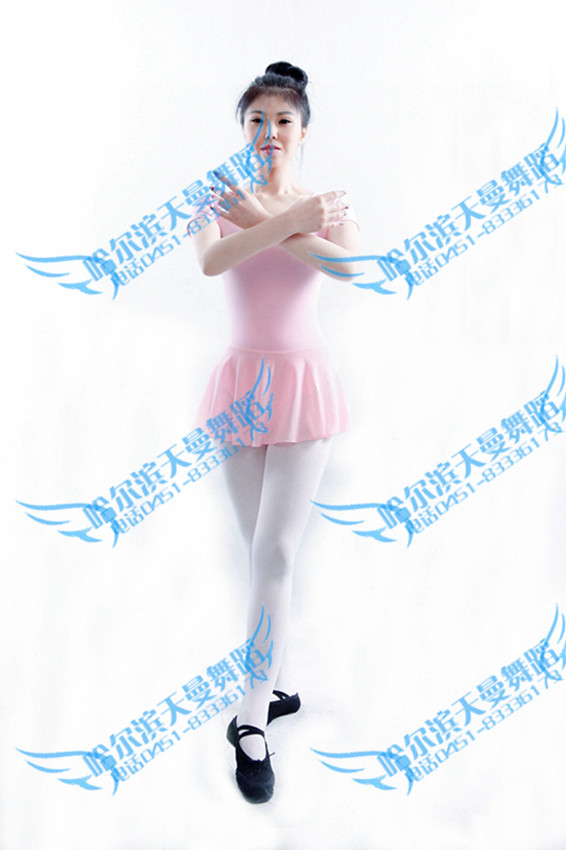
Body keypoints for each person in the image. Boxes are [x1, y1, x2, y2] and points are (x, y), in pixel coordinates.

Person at [188, 61, 361, 804]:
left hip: (303, 386)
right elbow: (212, 260)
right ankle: (279, 683)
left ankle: (251, 719)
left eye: (282, 120)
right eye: (255, 120)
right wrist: (279, 220)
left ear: (303, 131)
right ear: (243, 130)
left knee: (277, 551)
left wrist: (285, 218)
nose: (269, 132)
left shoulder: (330, 205)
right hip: (240, 387)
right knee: (257, 547)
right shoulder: (216, 202)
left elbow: (350, 269)